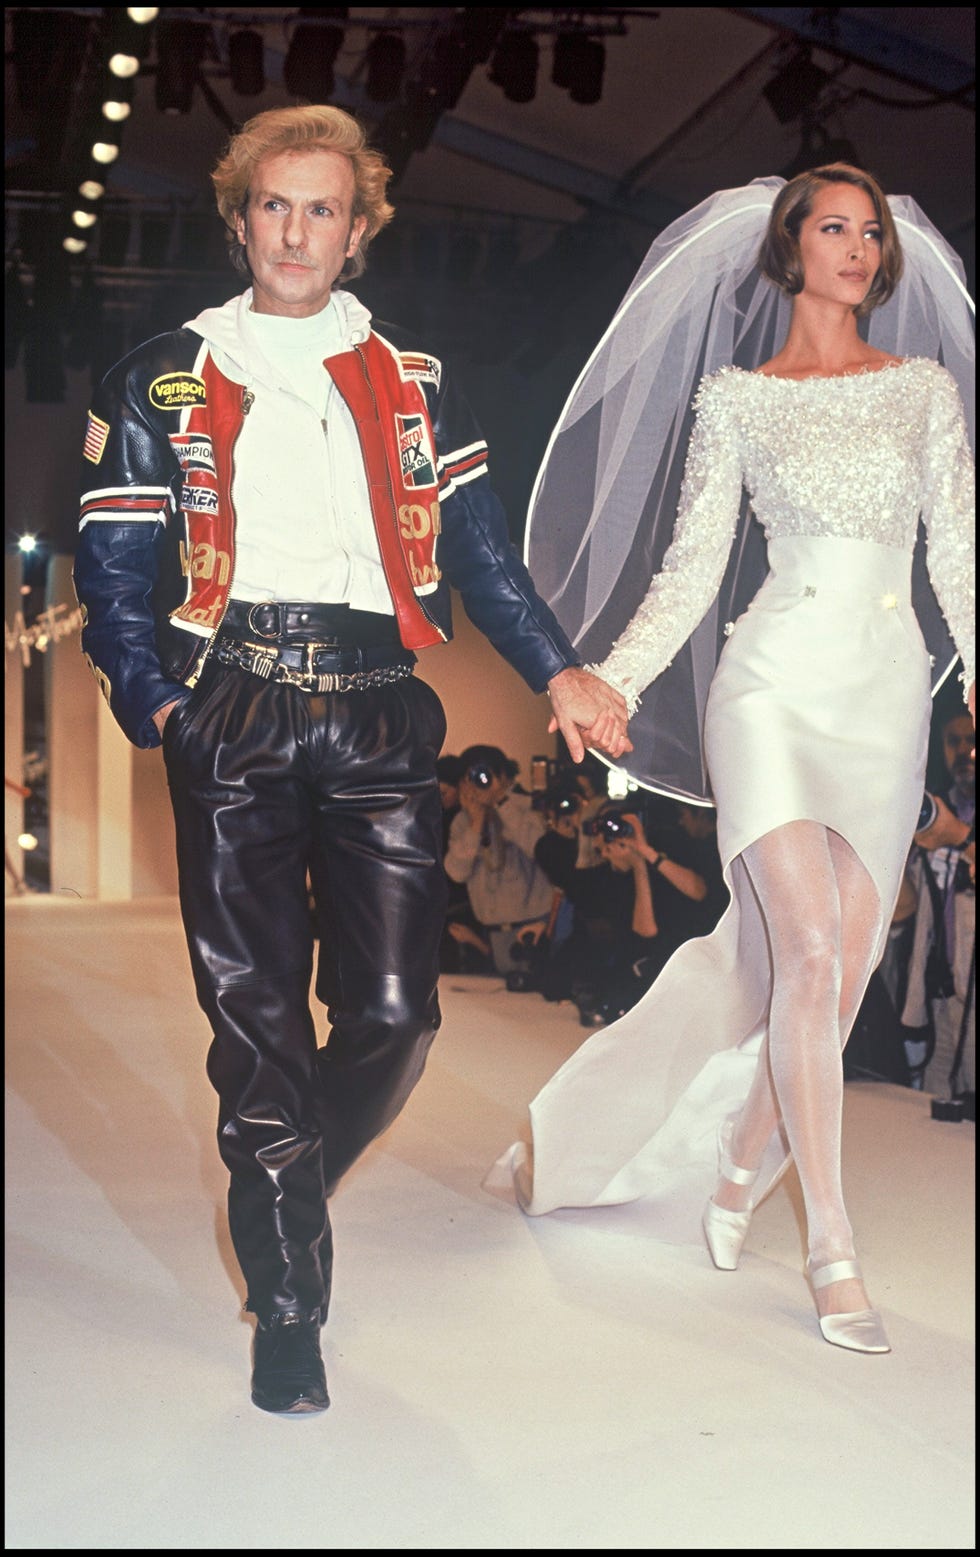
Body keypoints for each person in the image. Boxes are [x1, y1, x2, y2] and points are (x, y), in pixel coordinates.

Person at [72, 104, 630, 1416]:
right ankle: (289, 1300)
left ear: (360, 227)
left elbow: (483, 554)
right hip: (234, 709)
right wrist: (157, 703)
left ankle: (281, 1193)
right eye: (275, 204)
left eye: (324, 207)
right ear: (240, 217)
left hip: (383, 706)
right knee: (254, 1015)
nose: (297, 230)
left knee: (396, 1011)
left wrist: (556, 668)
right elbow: (108, 571)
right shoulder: (162, 372)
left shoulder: (418, 382)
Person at [490, 164, 975, 1355]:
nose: (856, 247)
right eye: (832, 227)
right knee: (806, 948)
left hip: (881, 692)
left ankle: (742, 1152)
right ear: (787, 247)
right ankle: (829, 1247)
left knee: (840, 967)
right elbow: (691, 569)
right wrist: (615, 676)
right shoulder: (736, 401)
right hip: (766, 688)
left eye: (870, 230)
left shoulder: (920, 392)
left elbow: (957, 554)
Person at [901, 706, 976, 1100]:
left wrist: (959, 837)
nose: (964, 751)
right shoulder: (935, 813)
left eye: (972, 740)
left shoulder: (951, 824)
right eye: (954, 742)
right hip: (942, 994)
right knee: (934, 1109)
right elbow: (910, 909)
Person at [443, 744, 556, 978]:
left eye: (484, 776)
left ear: (502, 776)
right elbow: (456, 872)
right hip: (490, 934)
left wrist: (500, 802)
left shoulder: (527, 807)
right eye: (469, 779)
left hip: (533, 928)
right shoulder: (463, 823)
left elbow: (538, 848)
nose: (476, 784)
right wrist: (475, 823)